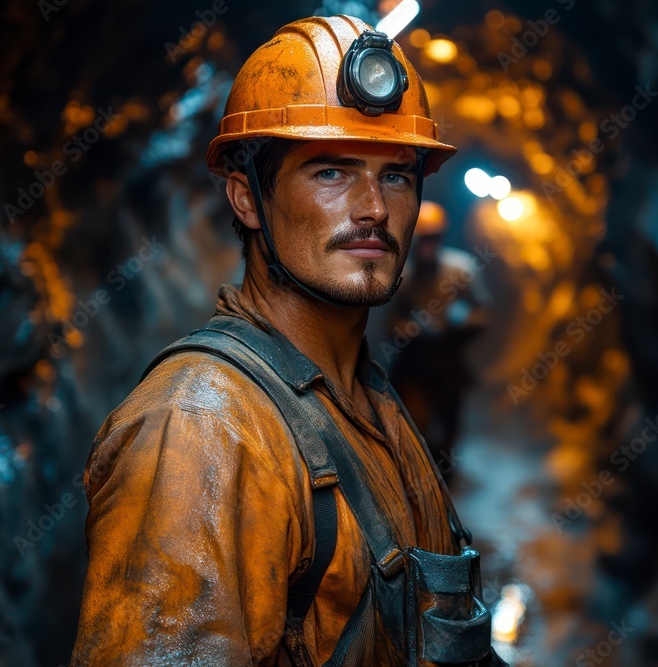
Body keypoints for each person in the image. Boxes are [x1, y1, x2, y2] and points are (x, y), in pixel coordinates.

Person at [71, 15, 503, 667]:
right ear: (246, 198)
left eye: (397, 175)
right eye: (331, 172)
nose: (374, 208)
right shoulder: (201, 431)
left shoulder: (369, 401)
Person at [369, 201, 493, 485]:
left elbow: (482, 312)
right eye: (423, 239)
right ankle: (414, 478)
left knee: (449, 420)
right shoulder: (404, 274)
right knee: (412, 419)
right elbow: (391, 321)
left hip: (449, 357)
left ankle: (445, 478)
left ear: (441, 238)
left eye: (433, 239)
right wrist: (409, 329)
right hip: (416, 358)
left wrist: (462, 321)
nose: (428, 246)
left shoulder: (461, 270)